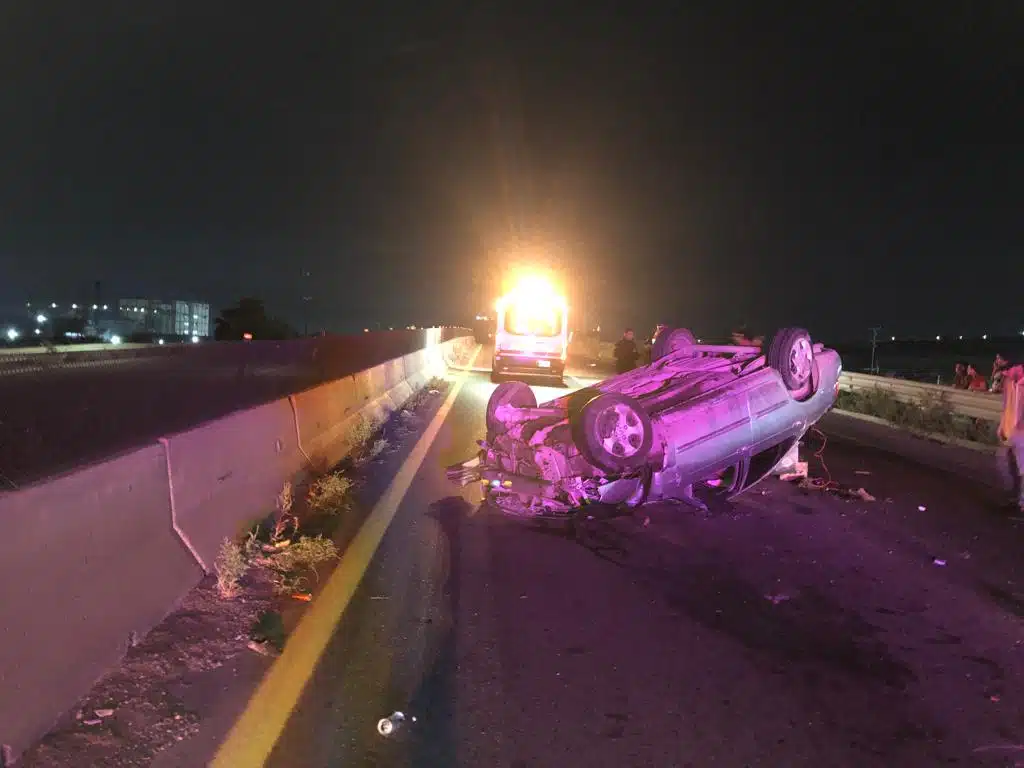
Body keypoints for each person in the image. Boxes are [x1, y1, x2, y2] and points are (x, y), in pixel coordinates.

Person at [997, 364, 1024, 511]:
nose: (1007, 375)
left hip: (1020, 434)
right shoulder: (1012, 385)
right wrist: (1002, 426)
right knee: (1007, 464)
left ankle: (1021, 500)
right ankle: (1016, 496)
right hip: (1012, 433)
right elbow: (1007, 408)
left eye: (1009, 371)